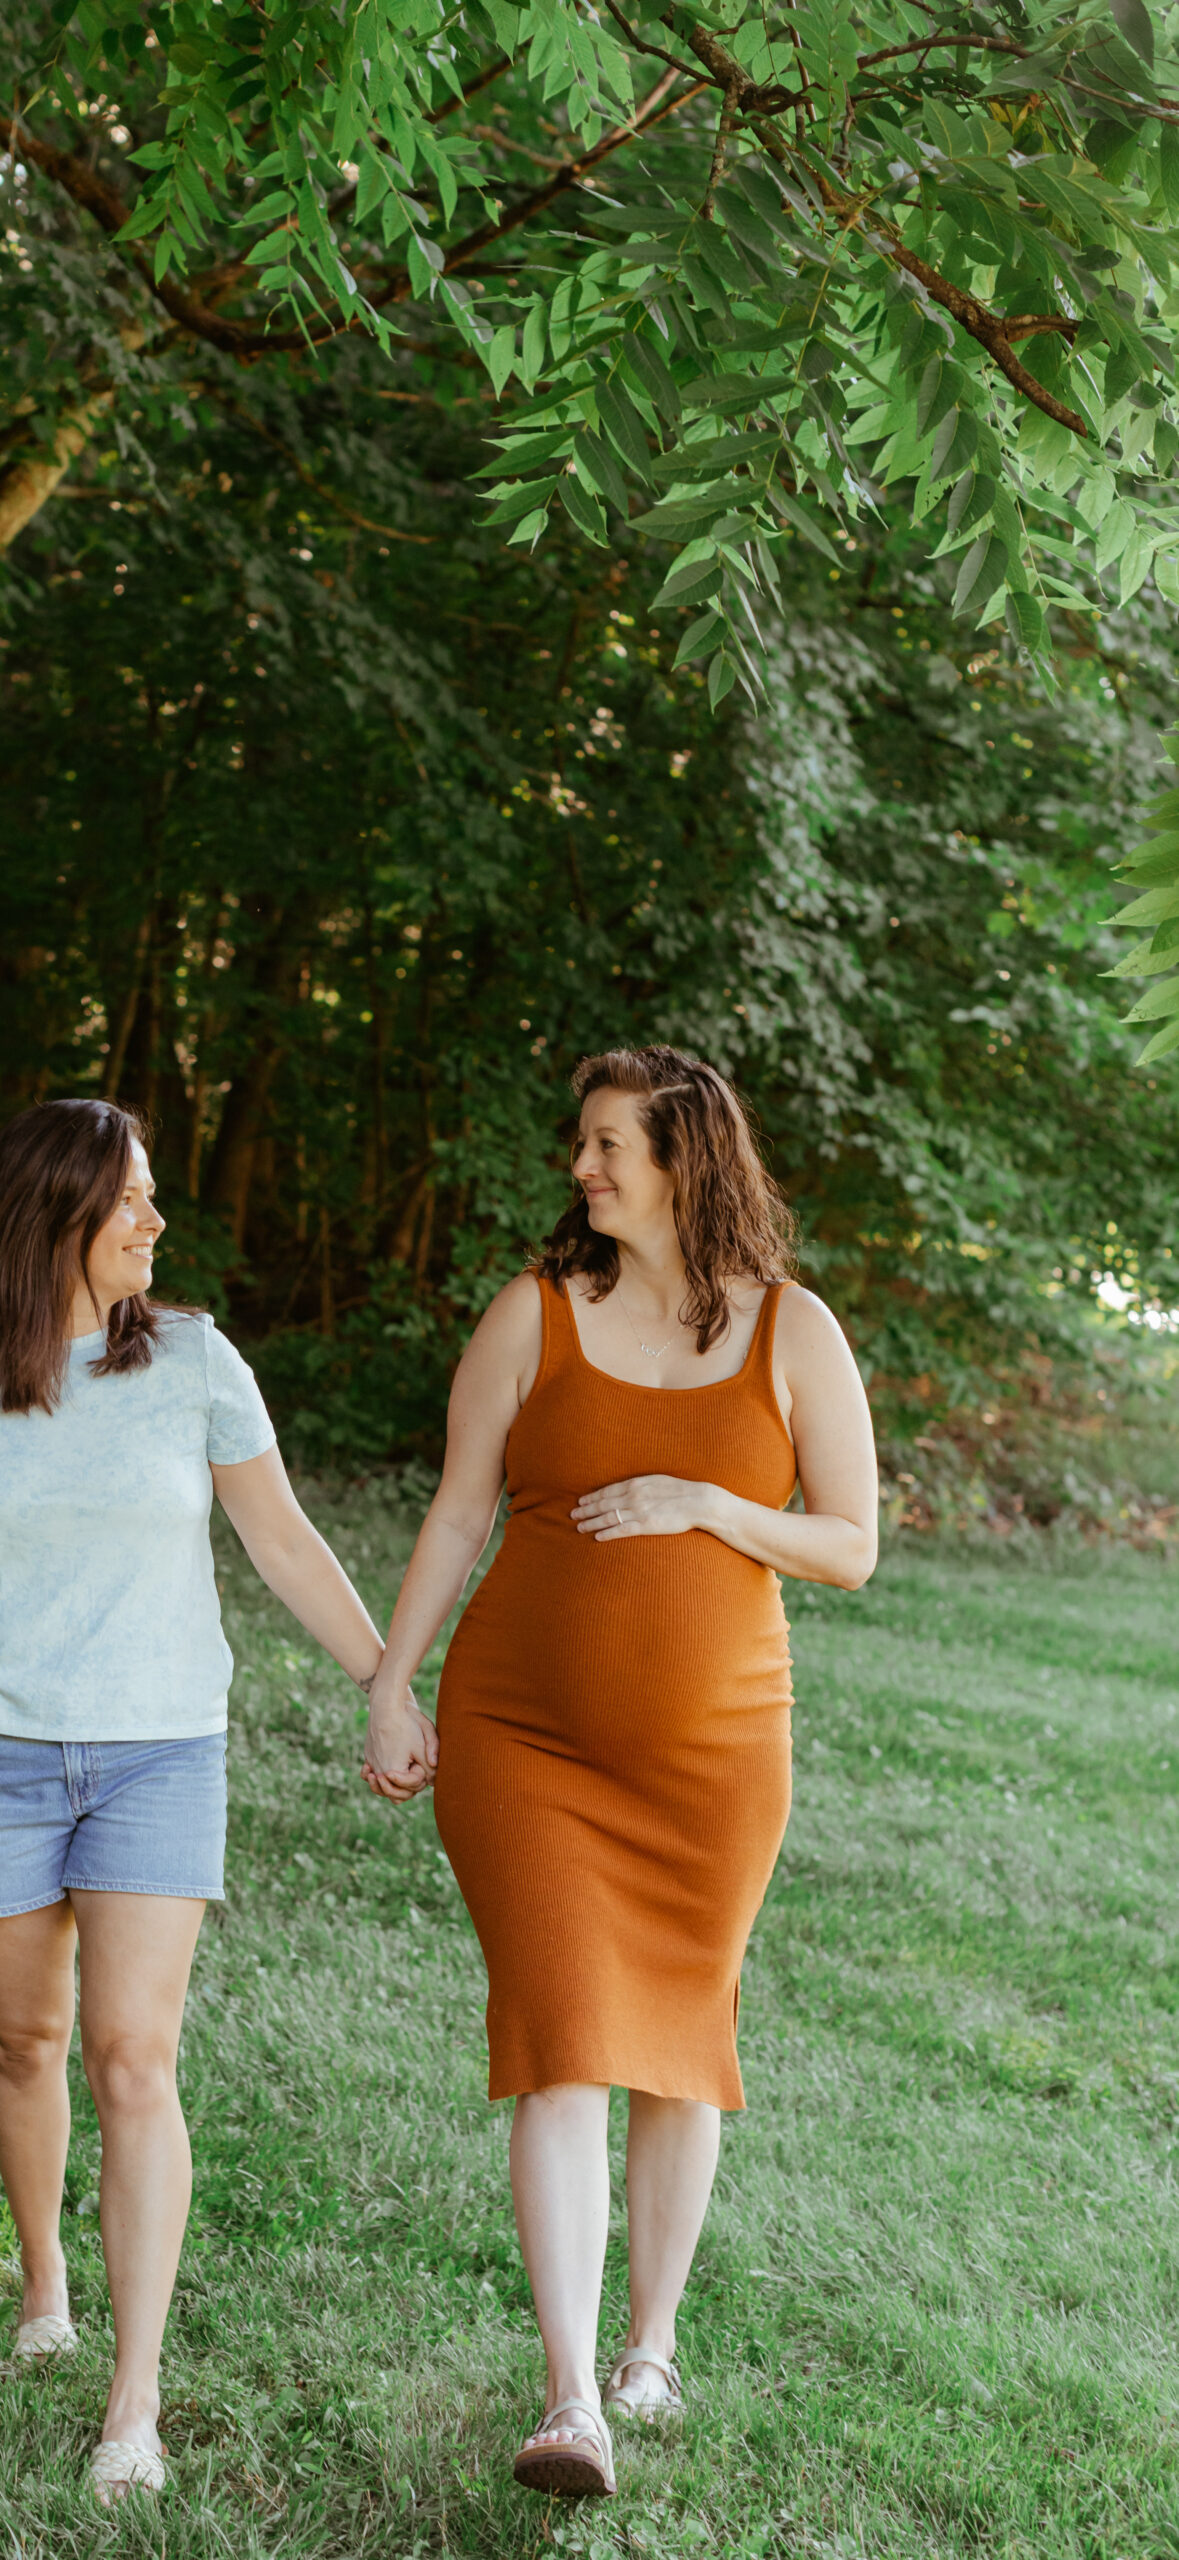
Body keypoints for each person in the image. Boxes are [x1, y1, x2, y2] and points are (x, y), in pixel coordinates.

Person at [0, 1098, 435, 2507]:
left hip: (163, 1748)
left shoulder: (199, 1364)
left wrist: (384, 1682)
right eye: (132, 1205)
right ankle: (44, 2280)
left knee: (130, 2056)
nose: (158, 1225)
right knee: (26, 2038)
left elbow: (279, 1537)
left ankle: (134, 2400)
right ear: (55, 1218)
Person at [364, 1046, 877, 2499]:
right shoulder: (530, 1318)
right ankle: (573, 2398)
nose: (582, 1170)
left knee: (679, 2045)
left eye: (607, 1147)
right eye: (582, 1146)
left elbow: (851, 1544)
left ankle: (655, 2342)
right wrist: (395, 1684)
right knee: (564, 2036)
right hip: (526, 1739)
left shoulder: (795, 1331)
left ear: (683, 1162)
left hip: (717, 1755)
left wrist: (711, 1503)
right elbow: (461, 1512)